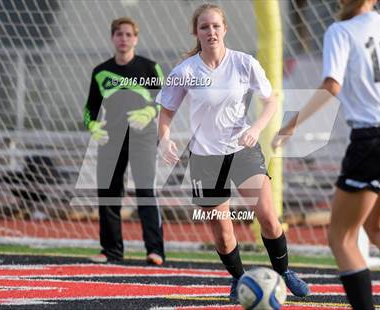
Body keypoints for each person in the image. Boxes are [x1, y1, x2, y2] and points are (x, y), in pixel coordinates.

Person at [157, 3, 309, 302]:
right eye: (204, 27)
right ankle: (239, 279)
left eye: (216, 26)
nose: (211, 32)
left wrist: (256, 129)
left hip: (242, 151)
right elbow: (165, 114)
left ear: (225, 29)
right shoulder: (185, 71)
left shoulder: (244, 63)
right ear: (195, 32)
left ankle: (284, 272)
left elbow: (271, 102)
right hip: (205, 160)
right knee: (223, 235)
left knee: (267, 216)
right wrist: (164, 139)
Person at [272, 0, 380, 308]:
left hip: (373, 141)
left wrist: (290, 125)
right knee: (377, 224)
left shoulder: (340, 30)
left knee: (341, 238)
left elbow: (331, 87)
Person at [84, 17, 165, 265]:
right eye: (119, 34)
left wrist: (150, 112)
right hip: (111, 139)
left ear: (136, 39)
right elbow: (90, 109)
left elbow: (164, 100)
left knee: (145, 192)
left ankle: (155, 251)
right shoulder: (100, 72)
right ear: (112, 38)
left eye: (129, 34)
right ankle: (111, 251)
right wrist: (93, 126)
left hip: (143, 138)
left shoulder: (150, 68)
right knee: (108, 195)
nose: (124, 38)